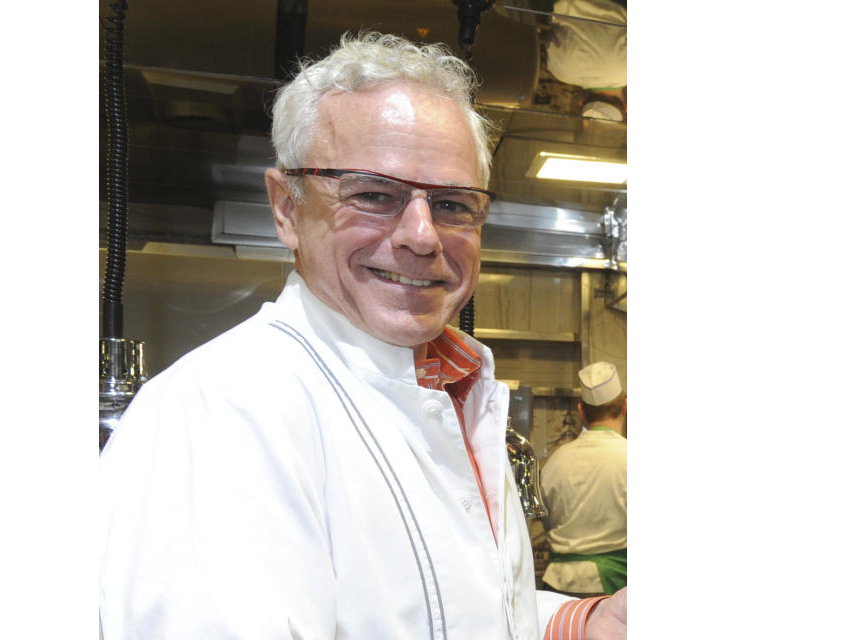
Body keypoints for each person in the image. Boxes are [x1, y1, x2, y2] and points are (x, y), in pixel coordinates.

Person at [99, 32, 627, 640]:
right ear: (287, 208)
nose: (423, 236)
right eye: (374, 194)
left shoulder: (453, 387)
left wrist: (584, 622)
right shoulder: (220, 411)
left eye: (454, 204)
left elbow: (457, 611)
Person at [540, 361, 628, 597]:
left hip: (557, 589)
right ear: (626, 406)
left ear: (581, 410)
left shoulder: (555, 461)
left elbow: (544, 518)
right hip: (614, 590)